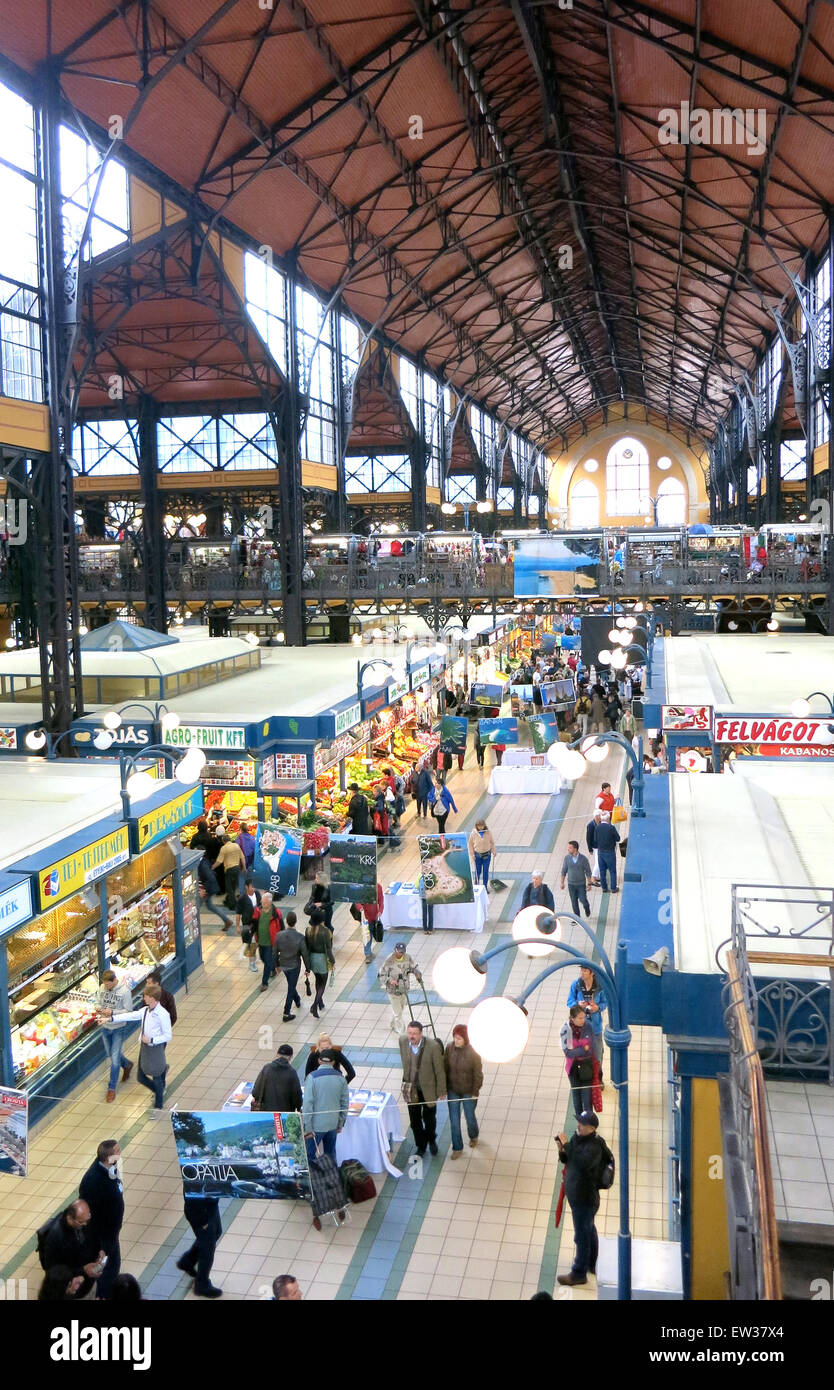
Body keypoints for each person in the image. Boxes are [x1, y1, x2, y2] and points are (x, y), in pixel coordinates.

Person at [555, 1111, 615, 1286]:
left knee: (582, 1234)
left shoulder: (595, 1147)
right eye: (578, 1122)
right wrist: (562, 1150)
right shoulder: (578, 1138)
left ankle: (579, 1273)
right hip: (577, 1196)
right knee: (588, 1229)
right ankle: (592, 1262)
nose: (578, 1125)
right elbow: (569, 1160)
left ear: (591, 1128)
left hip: (585, 1198)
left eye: (582, 1124)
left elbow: (582, 1164)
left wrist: (568, 1146)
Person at [104, 981, 172, 1112]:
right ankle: (159, 1090)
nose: (143, 998)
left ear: (151, 998)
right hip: (144, 1048)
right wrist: (111, 1018)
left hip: (155, 1049)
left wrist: (152, 1039)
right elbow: (131, 1015)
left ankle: (159, 1104)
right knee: (141, 1077)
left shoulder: (163, 1014)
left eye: (145, 996)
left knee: (157, 1076)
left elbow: (168, 1036)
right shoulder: (145, 1010)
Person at [79, 1140, 124, 1299]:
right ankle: (103, 1295)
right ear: (108, 1156)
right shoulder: (92, 1181)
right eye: (117, 1150)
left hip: (111, 1232)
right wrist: (102, 1245)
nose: (120, 1152)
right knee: (108, 1268)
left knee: (113, 1264)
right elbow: (90, 1216)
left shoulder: (111, 1167)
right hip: (103, 1236)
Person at [39, 1201, 105, 1301]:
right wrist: (83, 1270)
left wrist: (100, 1250)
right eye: (81, 1222)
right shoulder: (55, 1237)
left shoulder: (85, 1219)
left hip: (90, 1281)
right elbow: (54, 1271)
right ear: (70, 1218)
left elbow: (94, 1237)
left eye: (87, 1219)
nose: (85, 1224)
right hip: (75, 1292)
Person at [400, 1021, 446, 1157]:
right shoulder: (402, 1041)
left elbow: (439, 1070)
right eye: (409, 1033)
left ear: (421, 1034)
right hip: (411, 1089)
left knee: (429, 1119)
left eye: (414, 1033)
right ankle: (421, 1145)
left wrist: (442, 1090)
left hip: (428, 1089)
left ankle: (431, 1139)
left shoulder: (433, 1046)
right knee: (414, 1121)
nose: (411, 1036)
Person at [302, 1048, 348, 1164]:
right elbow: (344, 1103)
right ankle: (332, 1179)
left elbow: (307, 1103)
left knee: (309, 1156)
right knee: (330, 1154)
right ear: (333, 1062)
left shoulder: (312, 1078)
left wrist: (307, 1127)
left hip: (315, 1126)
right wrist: (341, 1122)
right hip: (333, 1124)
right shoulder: (341, 1078)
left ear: (319, 1061)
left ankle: (313, 1180)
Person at [444, 1023, 483, 1159]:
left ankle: (473, 1135)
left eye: (459, 1038)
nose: (456, 1041)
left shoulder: (474, 1053)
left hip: (468, 1091)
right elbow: (445, 1068)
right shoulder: (449, 1048)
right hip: (453, 1090)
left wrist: (475, 1092)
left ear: (466, 1039)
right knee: (454, 1121)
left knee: (469, 1116)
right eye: (455, 1037)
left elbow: (478, 1074)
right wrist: (444, 1088)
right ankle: (457, 1148)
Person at [95, 969, 133, 1103]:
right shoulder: (102, 987)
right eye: (104, 985)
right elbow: (97, 1001)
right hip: (105, 1027)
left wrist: (113, 1012)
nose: (106, 987)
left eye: (108, 985)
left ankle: (111, 1088)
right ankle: (127, 1064)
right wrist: (98, 1008)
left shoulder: (125, 992)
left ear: (114, 981)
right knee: (110, 1054)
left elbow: (128, 1011)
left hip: (118, 1028)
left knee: (115, 1059)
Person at [567, 965, 609, 1085]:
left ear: (592, 973)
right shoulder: (576, 985)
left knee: (597, 1055)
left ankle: (598, 1080)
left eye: (585, 970)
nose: (582, 973)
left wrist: (597, 1007)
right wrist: (577, 1004)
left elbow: (605, 1002)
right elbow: (569, 1002)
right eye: (581, 970)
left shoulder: (600, 987)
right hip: (580, 1029)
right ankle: (585, 1078)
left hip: (595, 1028)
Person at [177, 1195, 223, 1298]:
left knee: (216, 1233)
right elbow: (194, 1193)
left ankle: (188, 1261)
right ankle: (202, 1284)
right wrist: (202, 1221)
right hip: (200, 1211)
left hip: (209, 1203)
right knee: (208, 1246)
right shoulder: (196, 1180)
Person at [272, 912, 311, 1021]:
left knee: (291, 984)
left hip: (283, 964)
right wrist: (308, 968)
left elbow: (274, 952)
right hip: (294, 966)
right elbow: (305, 954)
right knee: (291, 987)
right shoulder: (300, 937)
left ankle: (297, 1000)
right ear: (296, 921)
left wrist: (277, 965)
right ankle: (286, 1012)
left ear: (286, 921)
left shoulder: (279, 935)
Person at [378, 941, 421, 1034]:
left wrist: (417, 973)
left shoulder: (407, 957)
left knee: (400, 1009)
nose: (401, 953)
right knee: (398, 1014)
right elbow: (381, 974)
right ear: (395, 950)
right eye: (399, 951)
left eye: (402, 952)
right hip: (393, 991)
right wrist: (389, 980)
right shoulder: (389, 960)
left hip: (404, 989)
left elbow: (413, 967)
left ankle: (392, 1024)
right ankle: (402, 1033)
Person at [561, 1005, 594, 1119]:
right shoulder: (566, 1030)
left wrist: (576, 1049)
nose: (583, 1020)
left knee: (587, 1097)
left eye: (584, 1017)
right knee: (576, 1096)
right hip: (572, 1068)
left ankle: (589, 1121)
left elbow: (590, 1049)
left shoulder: (588, 1026)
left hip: (586, 1067)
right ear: (572, 1018)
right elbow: (568, 1053)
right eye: (580, 1018)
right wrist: (582, 1048)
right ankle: (580, 1121)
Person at [252, 1043, 303, 1112]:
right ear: (291, 1057)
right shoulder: (292, 1072)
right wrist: (299, 1107)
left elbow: (256, 1092)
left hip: (266, 1112)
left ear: (277, 1054)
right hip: (285, 1113)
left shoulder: (267, 1068)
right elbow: (297, 1096)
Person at [305, 909, 335, 1019]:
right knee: (322, 984)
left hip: (312, 959)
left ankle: (320, 1003)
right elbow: (328, 948)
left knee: (318, 980)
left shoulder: (308, 930)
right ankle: (314, 1005)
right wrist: (333, 961)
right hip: (322, 959)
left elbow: (307, 947)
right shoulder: (326, 931)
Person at [254, 890, 282, 993]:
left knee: (268, 961)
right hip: (261, 941)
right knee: (263, 958)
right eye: (262, 902)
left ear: (270, 903)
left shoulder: (276, 912)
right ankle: (272, 968)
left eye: (264, 902)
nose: (262, 904)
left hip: (271, 942)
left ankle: (264, 983)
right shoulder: (258, 911)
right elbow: (255, 924)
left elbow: (281, 927)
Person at [559, 841, 593, 918]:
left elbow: (588, 872)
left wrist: (589, 884)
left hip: (581, 884)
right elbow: (564, 870)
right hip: (571, 885)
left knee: (583, 900)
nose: (568, 849)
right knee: (574, 902)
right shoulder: (567, 858)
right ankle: (577, 918)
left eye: (570, 847)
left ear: (575, 849)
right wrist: (562, 882)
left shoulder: (583, 859)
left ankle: (586, 907)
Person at [354, 881, 385, 964]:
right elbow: (357, 901)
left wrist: (380, 911)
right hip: (365, 919)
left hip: (374, 917)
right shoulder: (362, 888)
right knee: (367, 936)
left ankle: (369, 952)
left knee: (373, 935)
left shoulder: (379, 887)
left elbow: (381, 901)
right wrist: (361, 908)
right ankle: (367, 955)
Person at [213, 834, 245, 910]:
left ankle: (232, 905)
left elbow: (219, 861)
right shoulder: (236, 846)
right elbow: (242, 857)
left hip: (229, 869)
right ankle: (228, 900)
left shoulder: (224, 848)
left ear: (223, 841)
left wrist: (212, 867)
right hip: (237, 868)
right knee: (233, 887)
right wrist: (244, 867)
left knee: (229, 888)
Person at [235, 878, 262, 969]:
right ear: (246, 887)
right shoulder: (242, 899)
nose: (253, 888)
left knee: (257, 942)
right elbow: (238, 913)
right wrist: (238, 926)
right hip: (248, 924)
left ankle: (253, 958)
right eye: (251, 886)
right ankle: (252, 963)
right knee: (251, 943)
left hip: (258, 923)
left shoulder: (257, 894)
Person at [595, 810, 621, 893]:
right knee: (612, 871)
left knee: (602, 871)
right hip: (610, 852)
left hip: (600, 852)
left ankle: (604, 888)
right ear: (608, 819)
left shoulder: (597, 827)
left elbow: (595, 840)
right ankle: (613, 888)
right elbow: (618, 838)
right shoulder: (611, 828)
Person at [468, 819, 495, 888]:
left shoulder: (488, 832)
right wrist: (472, 854)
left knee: (485, 871)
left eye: (482, 826)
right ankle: (476, 886)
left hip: (487, 855)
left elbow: (491, 842)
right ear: (476, 826)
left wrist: (493, 851)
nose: (480, 827)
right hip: (477, 856)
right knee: (478, 872)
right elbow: (470, 844)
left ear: (484, 825)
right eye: (479, 826)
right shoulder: (473, 833)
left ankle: (485, 887)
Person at [585, 811, 602, 886]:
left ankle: (596, 876)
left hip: (600, 846)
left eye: (599, 816)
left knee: (598, 862)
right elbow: (588, 838)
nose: (599, 817)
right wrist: (590, 849)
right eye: (597, 816)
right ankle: (593, 878)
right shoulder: (591, 825)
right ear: (595, 816)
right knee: (598, 863)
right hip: (595, 847)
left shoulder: (600, 823)